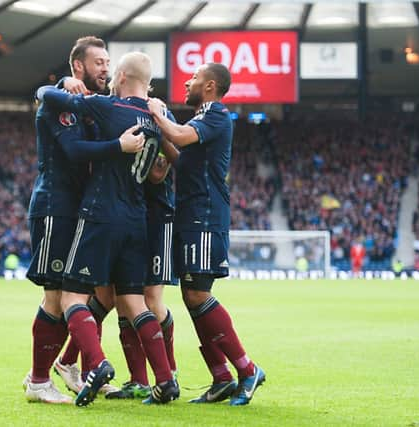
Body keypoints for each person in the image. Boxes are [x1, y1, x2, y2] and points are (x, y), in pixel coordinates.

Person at [37, 51, 178, 407]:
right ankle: (165, 379)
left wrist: (53, 87)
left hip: (101, 213)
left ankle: (96, 364)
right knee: (133, 300)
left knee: (72, 296)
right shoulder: (159, 116)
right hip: (137, 217)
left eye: (112, 70)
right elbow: (166, 163)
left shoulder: (108, 107)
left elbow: (52, 99)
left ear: (122, 76)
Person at [23, 36, 145, 404]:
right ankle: (39, 380)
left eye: (109, 63)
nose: (106, 69)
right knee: (57, 295)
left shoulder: (91, 106)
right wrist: (118, 147)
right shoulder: (62, 105)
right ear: (78, 67)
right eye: (99, 63)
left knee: (86, 293)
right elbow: (74, 151)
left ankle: (67, 368)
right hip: (55, 207)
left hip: (82, 210)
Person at [146, 62, 265, 406]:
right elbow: (183, 159)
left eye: (194, 77)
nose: (187, 81)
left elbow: (180, 136)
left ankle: (247, 369)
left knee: (198, 295)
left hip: (205, 215)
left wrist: (157, 114)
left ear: (210, 85)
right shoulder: (202, 120)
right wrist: (161, 136)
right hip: (191, 214)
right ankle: (221, 377)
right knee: (190, 295)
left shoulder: (215, 112)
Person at [106, 139, 181, 400]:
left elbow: (159, 174)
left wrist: (124, 154)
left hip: (159, 218)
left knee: (151, 299)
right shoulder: (123, 118)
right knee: (124, 297)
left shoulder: (160, 120)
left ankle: (170, 372)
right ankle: (138, 379)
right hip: (129, 217)